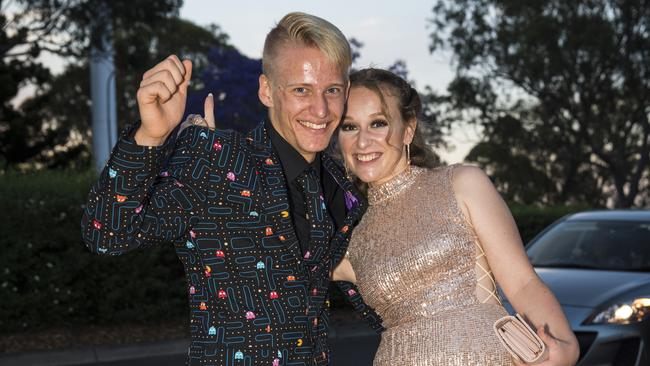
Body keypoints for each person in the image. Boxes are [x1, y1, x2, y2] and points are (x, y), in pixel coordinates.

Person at [81, 12, 381, 366]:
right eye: (301, 89)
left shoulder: (339, 182)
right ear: (267, 90)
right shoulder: (217, 160)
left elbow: (377, 298)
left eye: (331, 90)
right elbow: (107, 233)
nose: (320, 108)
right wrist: (151, 136)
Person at [333, 68, 580, 365]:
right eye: (349, 127)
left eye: (378, 123)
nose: (362, 141)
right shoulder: (350, 236)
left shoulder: (461, 183)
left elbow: (522, 282)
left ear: (408, 129)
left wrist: (566, 345)